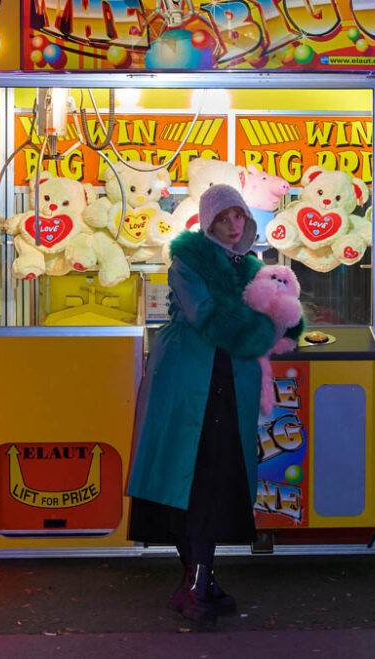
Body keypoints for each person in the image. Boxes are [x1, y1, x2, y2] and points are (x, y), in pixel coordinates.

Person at [126, 184, 304, 623]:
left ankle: (199, 580)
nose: (233, 225)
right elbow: (203, 313)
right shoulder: (188, 260)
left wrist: (285, 321)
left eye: (239, 216)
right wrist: (264, 327)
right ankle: (198, 581)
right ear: (208, 222)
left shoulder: (251, 268)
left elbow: (278, 314)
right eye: (224, 218)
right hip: (189, 383)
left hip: (228, 383)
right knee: (194, 480)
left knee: (214, 481)